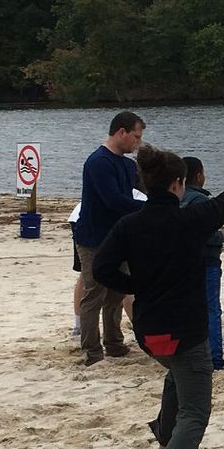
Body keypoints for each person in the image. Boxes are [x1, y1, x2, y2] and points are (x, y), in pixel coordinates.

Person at [90, 147, 224, 449]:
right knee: (196, 411)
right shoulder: (189, 221)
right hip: (185, 332)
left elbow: (101, 268)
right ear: (177, 184)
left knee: (177, 373)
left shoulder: (129, 225)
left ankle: (164, 442)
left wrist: (135, 285)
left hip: (149, 333)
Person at [73, 111, 146, 365]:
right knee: (94, 293)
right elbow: (114, 201)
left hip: (119, 237)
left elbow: (146, 186)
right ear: (121, 132)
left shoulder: (127, 164)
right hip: (93, 237)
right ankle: (91, 351)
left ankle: (114, 343)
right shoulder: (98, 162)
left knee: (118, 291)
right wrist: (149, 210)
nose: (137, 143)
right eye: (135, 137)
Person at [182, 157, 224, 370]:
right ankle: (215, 358)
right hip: (206, 262)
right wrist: (221, 237)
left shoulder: (177, 199)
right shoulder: (201, 201)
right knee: (211, 310)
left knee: (186, 308)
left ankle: (187, 354)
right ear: (199, 176)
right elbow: (207, 234)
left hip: (183, 264)